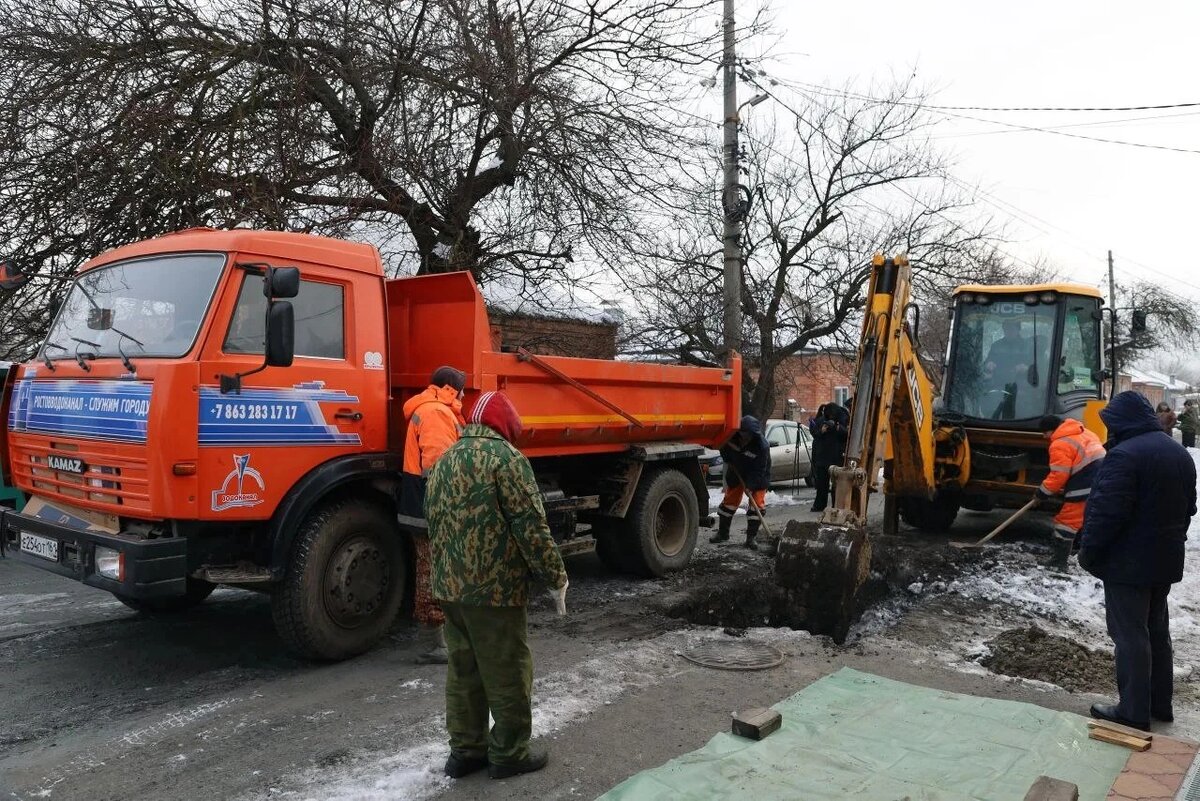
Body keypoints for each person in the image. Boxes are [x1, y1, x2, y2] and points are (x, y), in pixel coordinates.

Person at [425, 390, 568, 780]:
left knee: (464, 670)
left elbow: (432, 522)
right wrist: (555, 577)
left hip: (450, 588)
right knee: (506, 669)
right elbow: (531, 527)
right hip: (494, 591)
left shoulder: (446, 458)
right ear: (504, 426)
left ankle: (466, 752)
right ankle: (508, 754)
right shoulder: (507, 459)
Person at [1078, 391, 1196, 731]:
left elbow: (1107, 513)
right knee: (1156, 631)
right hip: (1165, 559)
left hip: (1128, 564)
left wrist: (1089, 550)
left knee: (1129, 634)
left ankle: (1132, 710)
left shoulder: (1124, 456)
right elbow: (1189, 507)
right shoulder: (1178, 452)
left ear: (1121, 421)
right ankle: (1160, 705)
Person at [400, 365, 468, 665]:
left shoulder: (429, 408)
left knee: (431, 568)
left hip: (422, 504)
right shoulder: (437, 412)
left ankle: (437, 639)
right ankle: (434, 644)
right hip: (434, 506)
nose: (465, 395)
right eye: (461, 389)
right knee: (434, 571)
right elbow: (441, 466)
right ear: (450, 389)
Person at [1035, 414, 1105, 570]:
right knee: (1088, 519)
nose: (1044, 436)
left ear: (1051, 430)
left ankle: (1059, 562)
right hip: (1101, 480)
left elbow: (1059, 474)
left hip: (1084, 483)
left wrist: (1042, 492)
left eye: (1044, 432)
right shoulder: (1085, 432)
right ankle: (1079, 553)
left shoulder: (1060, 443)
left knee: (1067, 522)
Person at [709, 415, 771, 551]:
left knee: (757, 506)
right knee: (729, 503)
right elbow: (723, 447)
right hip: (737, 471)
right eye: (743, 434)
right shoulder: (732, 438)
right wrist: (728, 459)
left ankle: (751, 538)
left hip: (758, 476)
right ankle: (723, 533)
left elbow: (760, 469)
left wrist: (751, 486)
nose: (745, 438)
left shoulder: (761, 446)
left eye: (748, 435)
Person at [810, 403, 849, 512]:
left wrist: (838, 428)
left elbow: (847, 434)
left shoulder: (843, 419)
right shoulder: (821, 421)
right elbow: (814, 434)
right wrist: (821, 431)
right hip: (823, 457)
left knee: (836, 484)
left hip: (837, 457)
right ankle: (819, 505)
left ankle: (836, 505)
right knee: (822, 484)